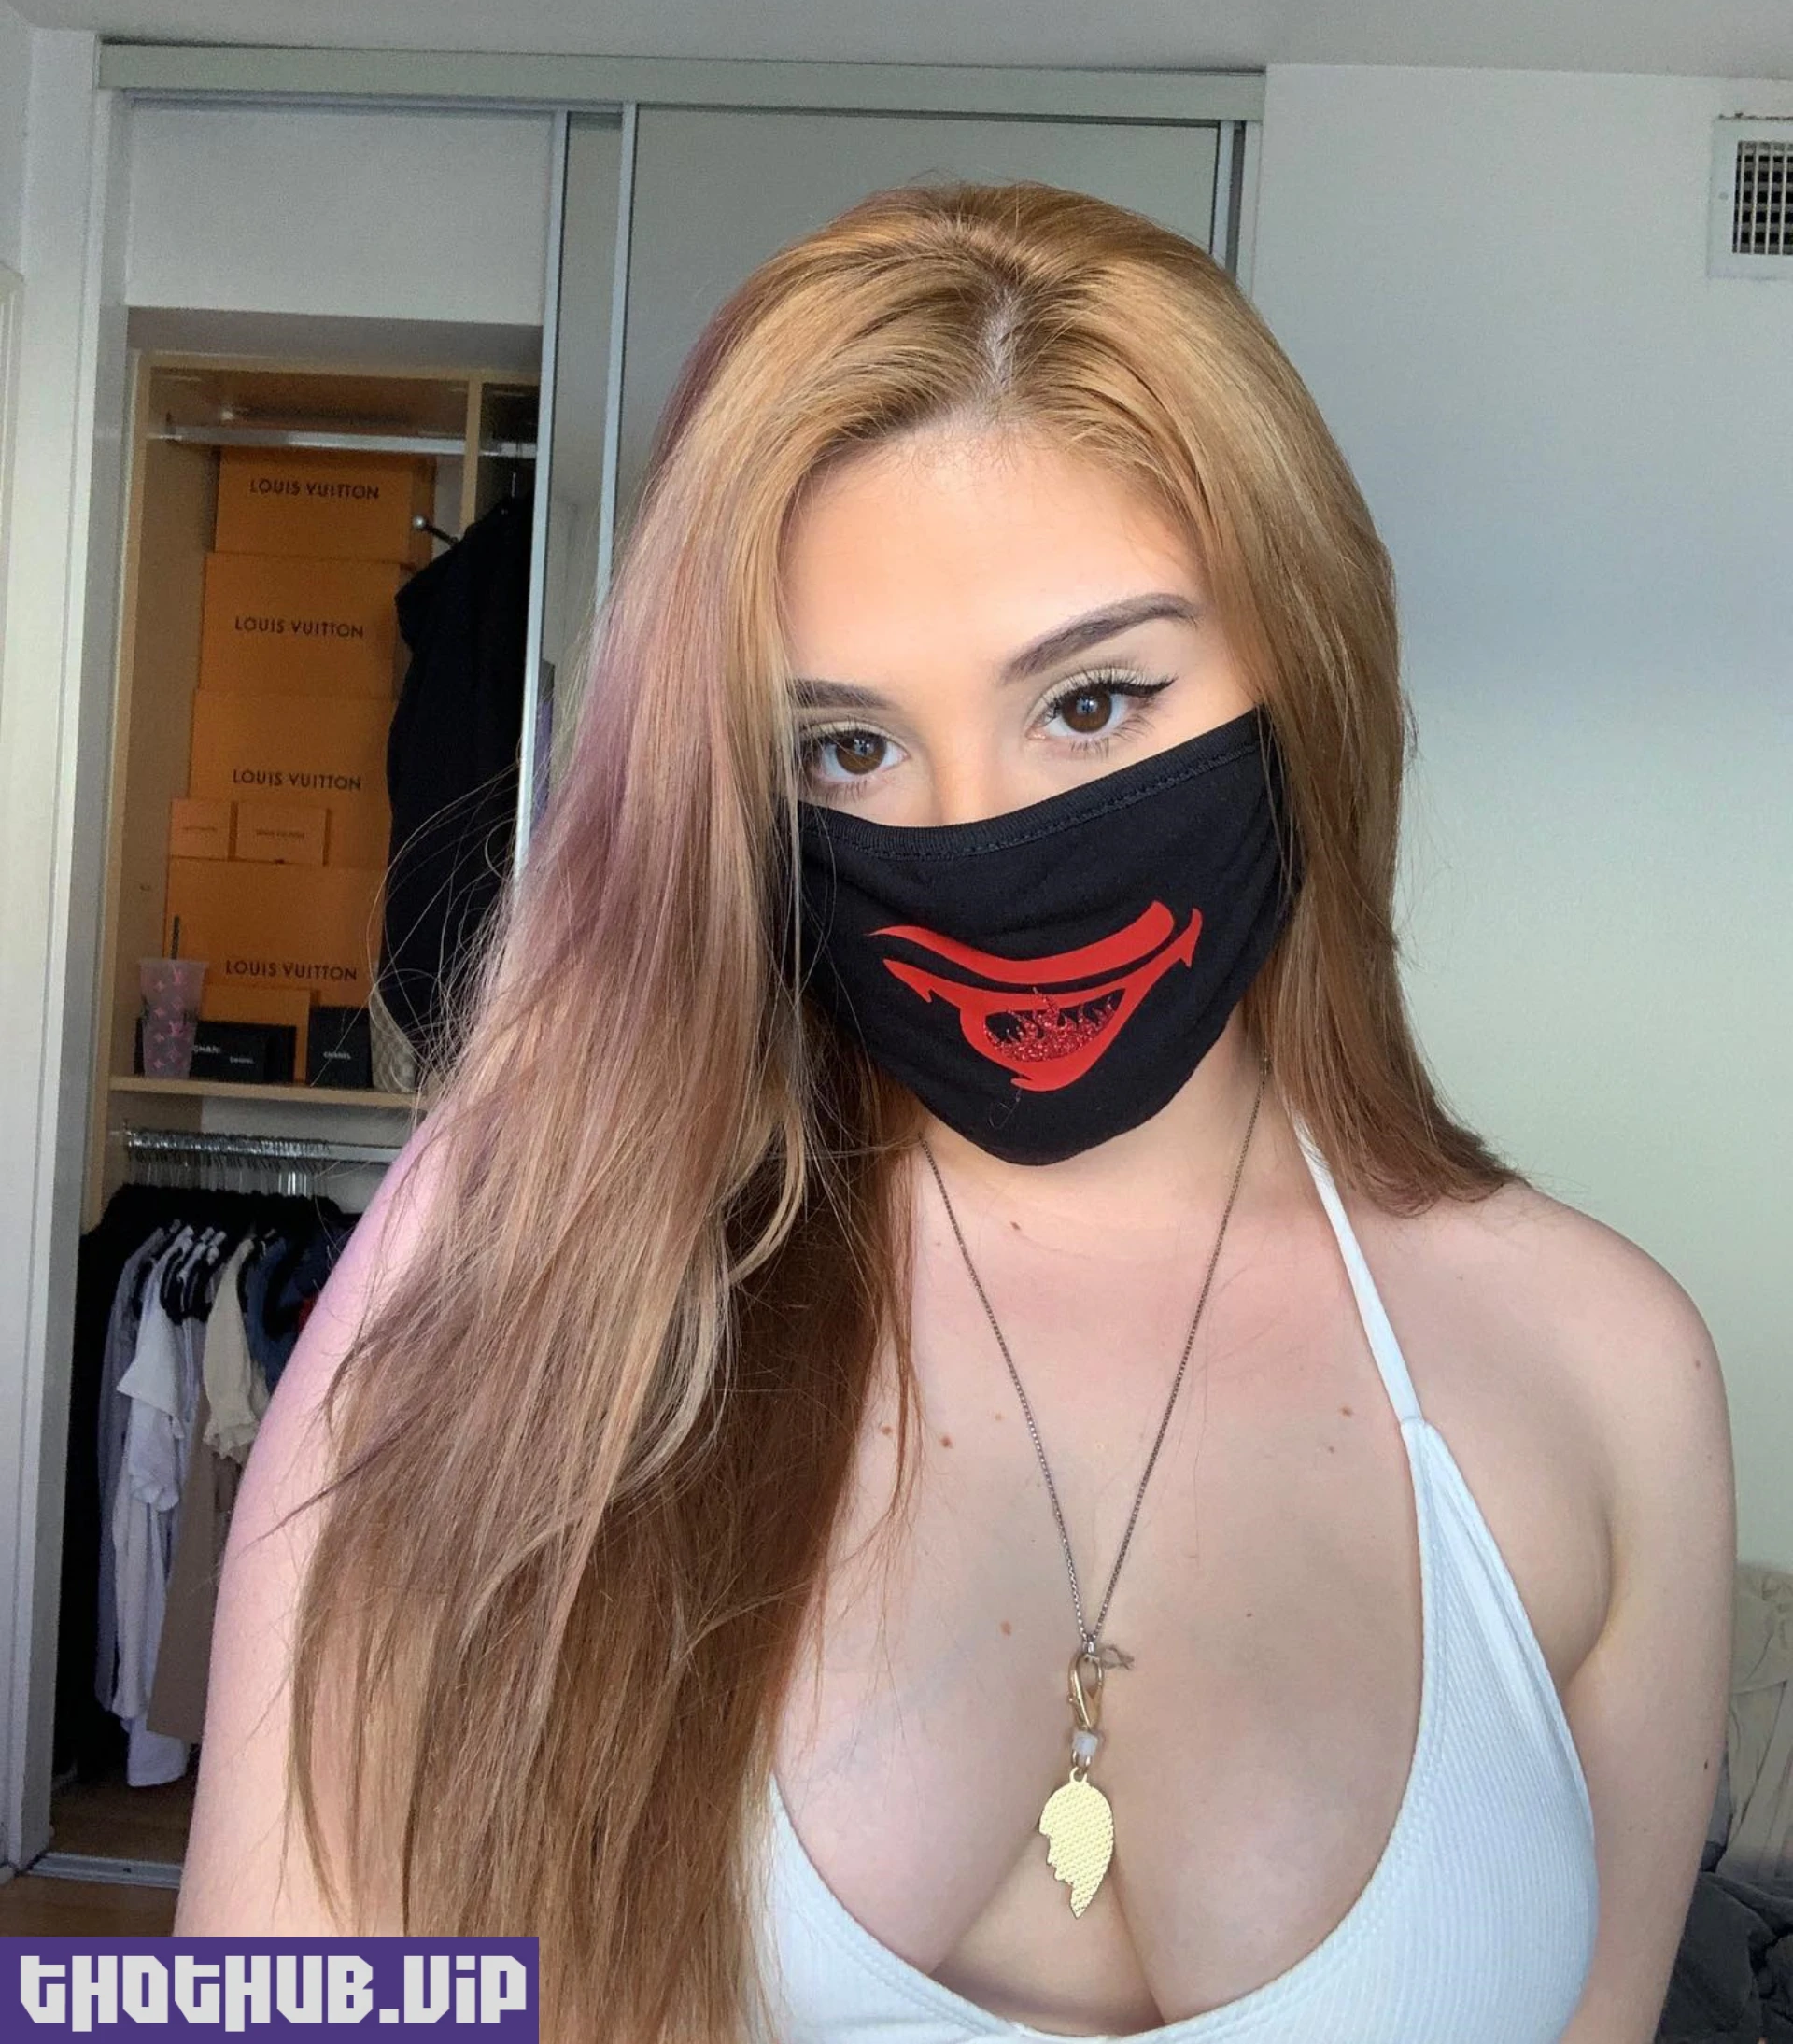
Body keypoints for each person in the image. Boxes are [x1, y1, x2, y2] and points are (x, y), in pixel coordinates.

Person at [176, 181, 1735, 2044]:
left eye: (1093, 702)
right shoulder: (527, 1254)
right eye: (847, 747)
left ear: (1306, 664)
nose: (974, 837)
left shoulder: (1603, 1369)